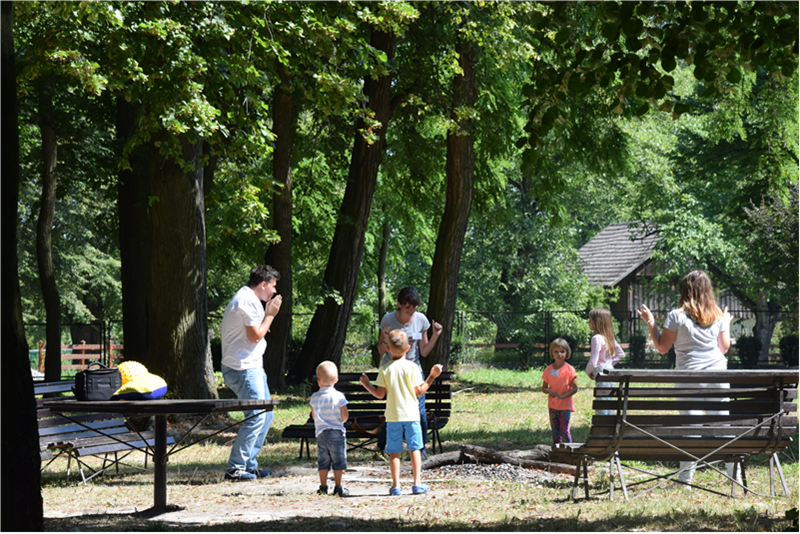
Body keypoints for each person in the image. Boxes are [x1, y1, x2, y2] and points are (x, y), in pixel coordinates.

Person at [637, 270, 735, 487]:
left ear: (685, 291)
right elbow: (724, 348)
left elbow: (662, 348)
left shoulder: (676, 316)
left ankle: (685, 480)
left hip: (689, 376)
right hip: (718, 375)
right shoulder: (718, 315)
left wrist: (650, 321)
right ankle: (734, 477)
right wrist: (726, 323)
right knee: (722, 425)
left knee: (691, 428)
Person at [360, 329, 443, 495]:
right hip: (411, 415)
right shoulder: (412, 367)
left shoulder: (385, 369)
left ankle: (396, 486)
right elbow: (419, 392)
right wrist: (432, 376)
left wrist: (367, 385)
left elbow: (380, 394)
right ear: (408, 348)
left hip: (393, 417)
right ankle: (417, 483)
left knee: (394, 452)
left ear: (388, 349)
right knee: (415, 449)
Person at [220, 265, 283, 481]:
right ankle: (235, 468)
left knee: (266, 415)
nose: (274, 291)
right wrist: (271, 315)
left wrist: (266, 314)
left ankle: (248, 465)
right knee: (256, 416)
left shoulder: (250, 299)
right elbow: (255, 336)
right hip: (242, 368)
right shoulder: (246, 300)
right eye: (273, 286)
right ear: (263, 284)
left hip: (252, 366)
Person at [375, 287, 443, 459]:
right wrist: (385, 337)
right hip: (393, 369)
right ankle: (381, 446)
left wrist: (436, 335)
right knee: (394, 410)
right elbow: (381, 350)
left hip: (412, 368)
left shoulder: (421, 320)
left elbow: (424, 351)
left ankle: (421, 448)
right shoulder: (388, 319)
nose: (411, 310)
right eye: (407, 307)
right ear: (399, 304)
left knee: (420, 410)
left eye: (414, 306)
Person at [310, 361, 350, 497]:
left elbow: (313, 416)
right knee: (338, 460)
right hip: (337, 432)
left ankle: (323, 486)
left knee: (323, 461)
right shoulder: (339, 396)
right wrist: (339, 421)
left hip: (321, 433)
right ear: (336, 379)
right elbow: (345, 416)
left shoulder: (315, 397)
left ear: (318, 381)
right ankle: (338, 487)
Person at [585, 308, 626, 415]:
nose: (588, 322)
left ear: (597, 322)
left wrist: (588, 371)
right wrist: (608, 365)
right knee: (609, 400)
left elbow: (593, 361)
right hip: (611, 372)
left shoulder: (596, 338)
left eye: (590, 320)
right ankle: (609, 422)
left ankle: (602, 423)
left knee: (601, 401)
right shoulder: (609, 338)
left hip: (601, 373)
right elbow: (621, 354)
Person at [541, 338, 578, 445]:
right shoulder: (548, 369)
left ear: (567, 353)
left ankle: (569, 450)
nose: (559, 354)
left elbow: (575, 388)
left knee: (564, 431)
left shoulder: (570, 369)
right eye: (556, 352)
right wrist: (549, 391)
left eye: (562, 351)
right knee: (555, 432)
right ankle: (557, 451)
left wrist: (563, 396)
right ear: (552, 353)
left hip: (565, 405)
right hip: (553, 406)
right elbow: (544, 388)